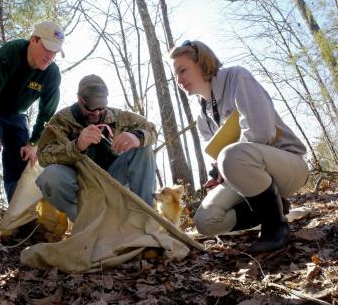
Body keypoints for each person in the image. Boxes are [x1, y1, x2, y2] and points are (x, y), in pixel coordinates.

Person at [170, 40, 308, 252]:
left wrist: (227, 163)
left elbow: (261, 131)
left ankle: (275, 227)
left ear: (201, 63)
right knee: (206, 221)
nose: (179, 80)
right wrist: (218, 174)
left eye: (183, 70)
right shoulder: (201, 118)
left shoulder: (236, 77)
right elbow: (218, 156)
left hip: (288, 165)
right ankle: (276, 206)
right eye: (176, 75)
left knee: (230, 157)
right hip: (244, 173)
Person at [0, 21, 65, 244]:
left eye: (55, 52)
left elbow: (48, 113)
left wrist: (34, 142)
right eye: (47, 48)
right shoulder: (10, 53)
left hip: (17, 116)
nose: (50, 56)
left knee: (22, 164)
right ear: (33, 40)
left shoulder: (52, 74)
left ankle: (20, 220)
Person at [35, 74, 157, 222]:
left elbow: (151, 129)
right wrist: (76, 146)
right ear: (80, 100)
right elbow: (43, 156)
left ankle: (145, 220)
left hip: (112, 180)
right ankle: (88, 224)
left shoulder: (118, 116)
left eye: (101, 108)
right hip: (79, 183)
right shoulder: (61, 121)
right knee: (50, 176)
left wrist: (137, 137)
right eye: (91, 108)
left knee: (144, 149)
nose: (97, 113)